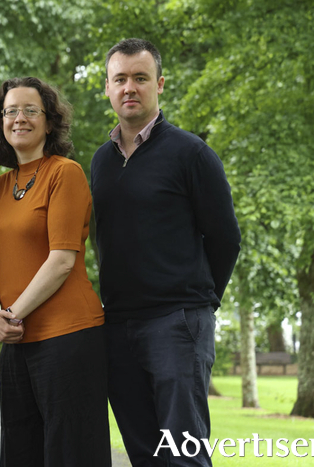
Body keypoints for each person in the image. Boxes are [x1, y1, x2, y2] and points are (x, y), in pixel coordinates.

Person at [91, 38, 241, 466]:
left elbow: (225, 238)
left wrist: (199, 302)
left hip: (176, 324)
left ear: (159, 84)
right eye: (120, 79)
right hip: (118, 325)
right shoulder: (101, 161)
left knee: (183, 455)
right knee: (144, 453)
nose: (129, 88)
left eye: (140, 78)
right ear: (107, 88)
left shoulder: (191, 153)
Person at [0, 77, 111, 466]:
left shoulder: (64, 173)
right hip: (15, 341)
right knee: (21, 453)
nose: (19, 118)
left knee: (71, 454)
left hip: (68, 338)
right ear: (0, 123)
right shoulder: (1, 187)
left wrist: (12, 313)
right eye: (10, 111)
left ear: (49, 121)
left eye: (30, 110)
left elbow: (61, 260)